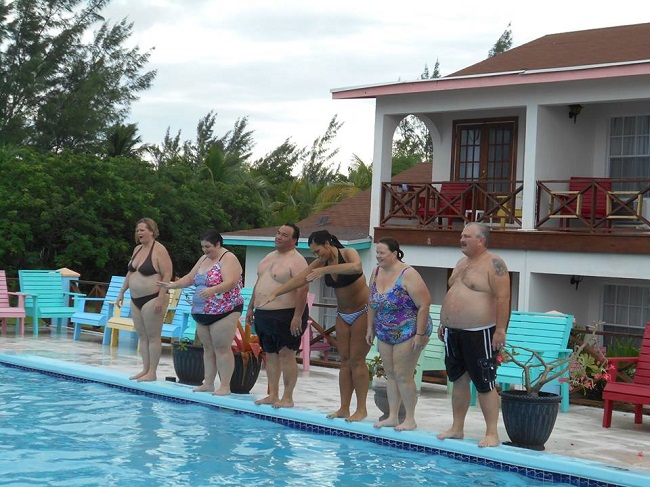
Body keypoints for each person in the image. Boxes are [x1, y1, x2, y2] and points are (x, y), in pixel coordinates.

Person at [260, 229, 371, 421]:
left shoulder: (348, 253)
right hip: (342, 315)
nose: (316, 256)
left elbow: (356, 268)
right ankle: (344, 408)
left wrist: (324, 270)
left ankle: (361, 409)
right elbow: (300, 279)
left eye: (318, 251)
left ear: (327, 244)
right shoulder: (321, 262)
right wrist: (276, 292)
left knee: (357, 361)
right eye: (314, 253)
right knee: (344, 361)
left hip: (362, 312)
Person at [437, 222, 510, 448]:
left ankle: (491, 433)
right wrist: (443, 322)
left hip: (479, 333)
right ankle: (457, 427)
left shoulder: (494, 263)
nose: (462, 239)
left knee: (484, 382)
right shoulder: (461, 263)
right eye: (461, 235)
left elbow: (503, 298)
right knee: (458, 380)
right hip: (453, 332)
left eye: (467, 236)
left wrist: (500, 329)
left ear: (481, 240)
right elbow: (454, 292)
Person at [159, 230, 244, 395]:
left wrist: (213, 290)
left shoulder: (228, 258)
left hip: (225, 310)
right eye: (203, 247)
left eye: (208, 247)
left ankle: (225, 386)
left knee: (222, 348)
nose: (205, 250)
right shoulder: (204, 259)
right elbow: (190, 278)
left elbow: (231, 282)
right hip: (202, 312)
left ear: (218, 244)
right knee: (208, 348)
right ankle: (209, 383)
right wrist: (172, 285)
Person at [366, 237, 432, 431]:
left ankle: (410, 418)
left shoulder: (408, 274)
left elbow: (424, 304)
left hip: (409, 329)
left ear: (394, 254)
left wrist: (420, 335)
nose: (378, 257)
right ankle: (393, 416)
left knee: (403, 375)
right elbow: (371, 301)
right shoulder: (376, 272)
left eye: (382, 253)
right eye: (376, 253)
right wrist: (370, 328)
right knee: (391, 374)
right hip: (385, 329)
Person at [246, 223, 309, 408]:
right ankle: (272, 394)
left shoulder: (297, 260)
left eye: (284, 235)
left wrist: (297, 316)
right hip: (263, 313)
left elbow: (303, 289)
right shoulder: (268, 257)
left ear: (294, 241)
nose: (279, 237)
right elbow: (258, 284)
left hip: (287, 313)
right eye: (278, 233)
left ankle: (287, 397)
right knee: (270, 354)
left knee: (286, 354)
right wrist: (251, 308)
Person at [117, 218, 173, 382]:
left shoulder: (160, 250)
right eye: (137, 230)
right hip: (135, 299)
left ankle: (153, 372)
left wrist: (161, 298)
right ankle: (145, 369)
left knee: (153, 336)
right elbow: (130, 272)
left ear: (152, 231)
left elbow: (167, 274)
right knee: (142, 336)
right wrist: (121, 292)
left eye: (142, 230)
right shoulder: (137, 249)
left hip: (153, 297)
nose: (139, 233)